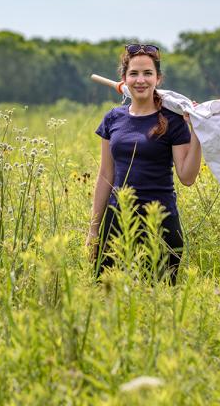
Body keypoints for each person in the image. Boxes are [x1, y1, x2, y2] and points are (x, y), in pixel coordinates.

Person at [85, 44, 202, 284]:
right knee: (107, 303)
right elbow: (105, 175)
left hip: (160, 224)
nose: (141, 80)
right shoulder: (113, 118)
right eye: (134, 74)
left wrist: (199, 131)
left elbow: (187, 177)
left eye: (148, 73)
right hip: (116, 223)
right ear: (124, 79)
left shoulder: (174, 121)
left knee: (155, 307)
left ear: (158, 78)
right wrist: (94, 230)